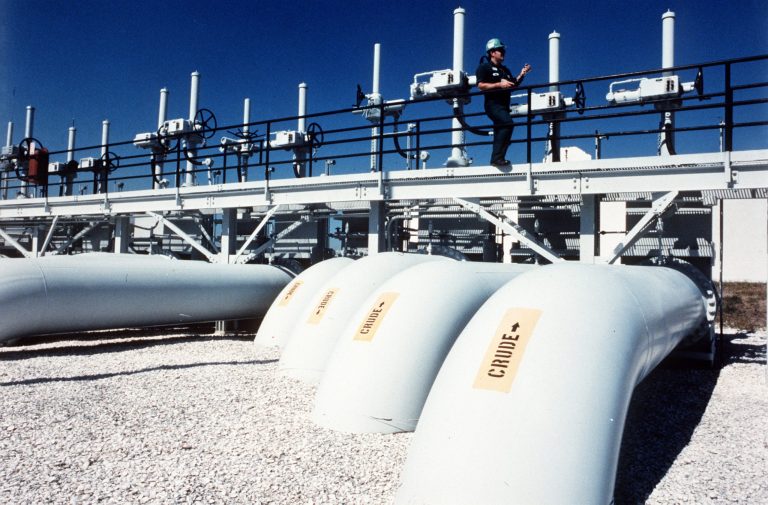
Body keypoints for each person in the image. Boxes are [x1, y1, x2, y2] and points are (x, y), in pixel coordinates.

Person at [476, 38, 531, 167]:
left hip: (504, 106)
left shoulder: (505, 70)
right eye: (500, 50)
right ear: (492, 52)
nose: (503, 53)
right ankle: (497, 158)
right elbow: (481, 85)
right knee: (507, 124)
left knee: (501, 129)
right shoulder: (484, 67)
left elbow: (513, 84)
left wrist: (522, 74)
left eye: (503, 50)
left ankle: (497, 158)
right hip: (493, 105)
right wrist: (499, 84)